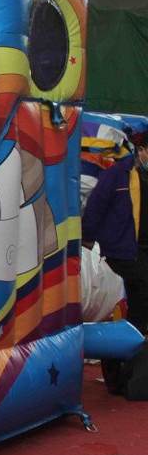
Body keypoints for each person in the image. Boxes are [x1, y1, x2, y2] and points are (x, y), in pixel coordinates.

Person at [82, 138, 148, 333]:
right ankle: (134, 332)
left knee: (139, 289)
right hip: (121, 247)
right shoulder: (117, 175)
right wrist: (88, 237)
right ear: (141, 150)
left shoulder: (140, 176)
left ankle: (135, 333)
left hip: (139, 247)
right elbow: (96, 206)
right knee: (141, 286)